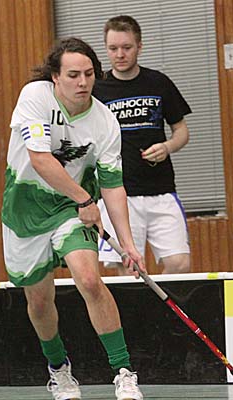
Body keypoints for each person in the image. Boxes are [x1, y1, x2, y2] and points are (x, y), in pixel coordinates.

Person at [1, 37, 145, 400]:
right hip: (25, 211)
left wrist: (128, 244)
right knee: (39, 301)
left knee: (90, 280)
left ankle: (124, 372)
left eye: (89, 74)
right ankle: (59, 370)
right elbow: (40, 160)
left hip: (70, 211)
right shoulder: (35, 97)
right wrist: (84, 198)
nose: (83, 82)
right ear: (55, 77)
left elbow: (112, 185)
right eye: (73, 75)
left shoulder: (105, 122)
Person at [94, 15, 191, 275]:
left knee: (179, 263)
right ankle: (143, 304)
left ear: (139, 46)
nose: (120, 54)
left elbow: (181, 130)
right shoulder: (97, 89)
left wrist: (168, 147)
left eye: (127, 47)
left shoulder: (158, 82)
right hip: (119, 193)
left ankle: (160, 302)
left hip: (161, 189)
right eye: (113, 48)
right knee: (131, 270)